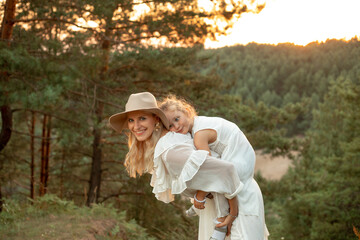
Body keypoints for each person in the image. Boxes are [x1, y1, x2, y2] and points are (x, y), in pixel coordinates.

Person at [109, 92, 243, 240]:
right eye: (131, 120)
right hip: (216, 205)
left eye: (142, 118)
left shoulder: (171, 150)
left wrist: (232, 213)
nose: (136, 126)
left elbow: (226, 169)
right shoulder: (166, 140)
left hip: (232, 205)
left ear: (156, 119)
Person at [159, 94, 269, 240]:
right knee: (220, 179)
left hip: (239, 163)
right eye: (170, 126)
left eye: (177, 119)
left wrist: (200, 195)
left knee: (219, 180)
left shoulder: (199, 135)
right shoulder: (198, 126)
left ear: (186, 111)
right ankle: (219, 220)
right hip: (242, 162)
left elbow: (209, 170)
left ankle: (220, 222)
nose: (176, 126)